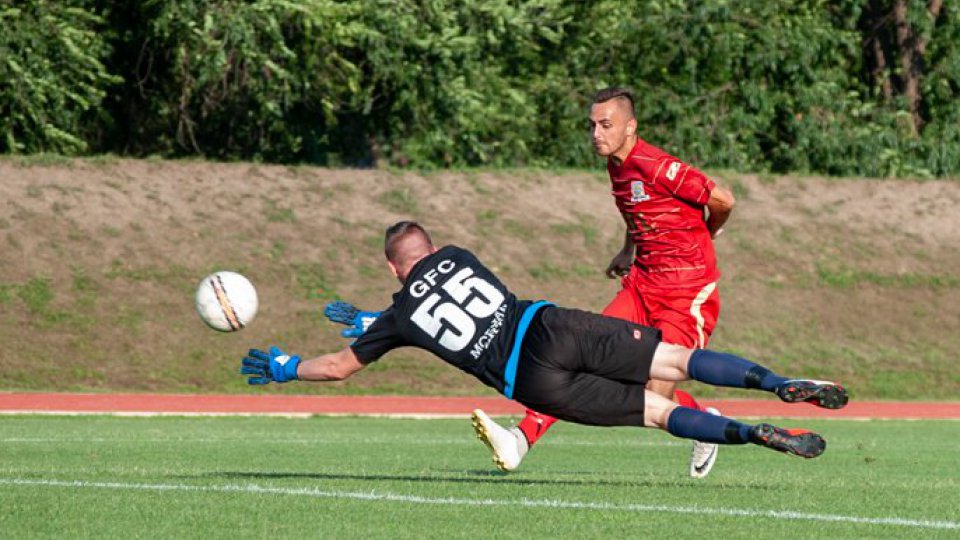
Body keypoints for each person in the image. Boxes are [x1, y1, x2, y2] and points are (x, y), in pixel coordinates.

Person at [330, 88, 737, 477]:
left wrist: (707, 233)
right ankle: (520, 439)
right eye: (592, 125)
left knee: (657, 395)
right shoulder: (616, 166)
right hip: (642, 283)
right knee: (582, 355)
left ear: (630, 127)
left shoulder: (656, 165)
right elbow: (637, 211)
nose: (596, 134)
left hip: (686, 288)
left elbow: (722, 199)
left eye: (606, 125)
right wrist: (628, 250)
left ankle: (702, 421)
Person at [243, 221, 848, 465]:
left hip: (532, 380)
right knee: (678, 359)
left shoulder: (399, 316)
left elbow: (341, 368)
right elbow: (444, 295)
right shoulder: (457, 255)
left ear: (393, 269)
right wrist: (381, 315)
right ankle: (777, 385)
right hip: (551, 325)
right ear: (431, 248)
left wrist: (287, 366)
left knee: (658, 414)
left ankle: (751, 436)